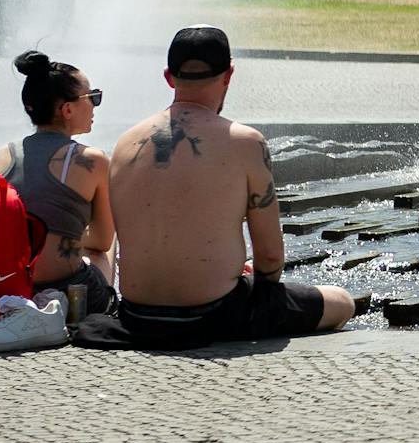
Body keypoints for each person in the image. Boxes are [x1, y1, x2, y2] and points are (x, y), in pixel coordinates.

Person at [76, 25, 356, 348]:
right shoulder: (246, 142)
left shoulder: (125, 143)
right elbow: (270, 257)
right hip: (214, 315)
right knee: (341, 301)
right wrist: (254, 284)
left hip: (137, 316)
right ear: (229, 75)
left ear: (168, 77)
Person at [0, 51, 117, 315]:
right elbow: (101, 241)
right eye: (93, 98)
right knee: (107, 247)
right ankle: (75, 308)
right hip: (71, 288)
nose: (95, 105)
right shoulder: (93, 160)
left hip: (5, 289)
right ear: (67, 109)